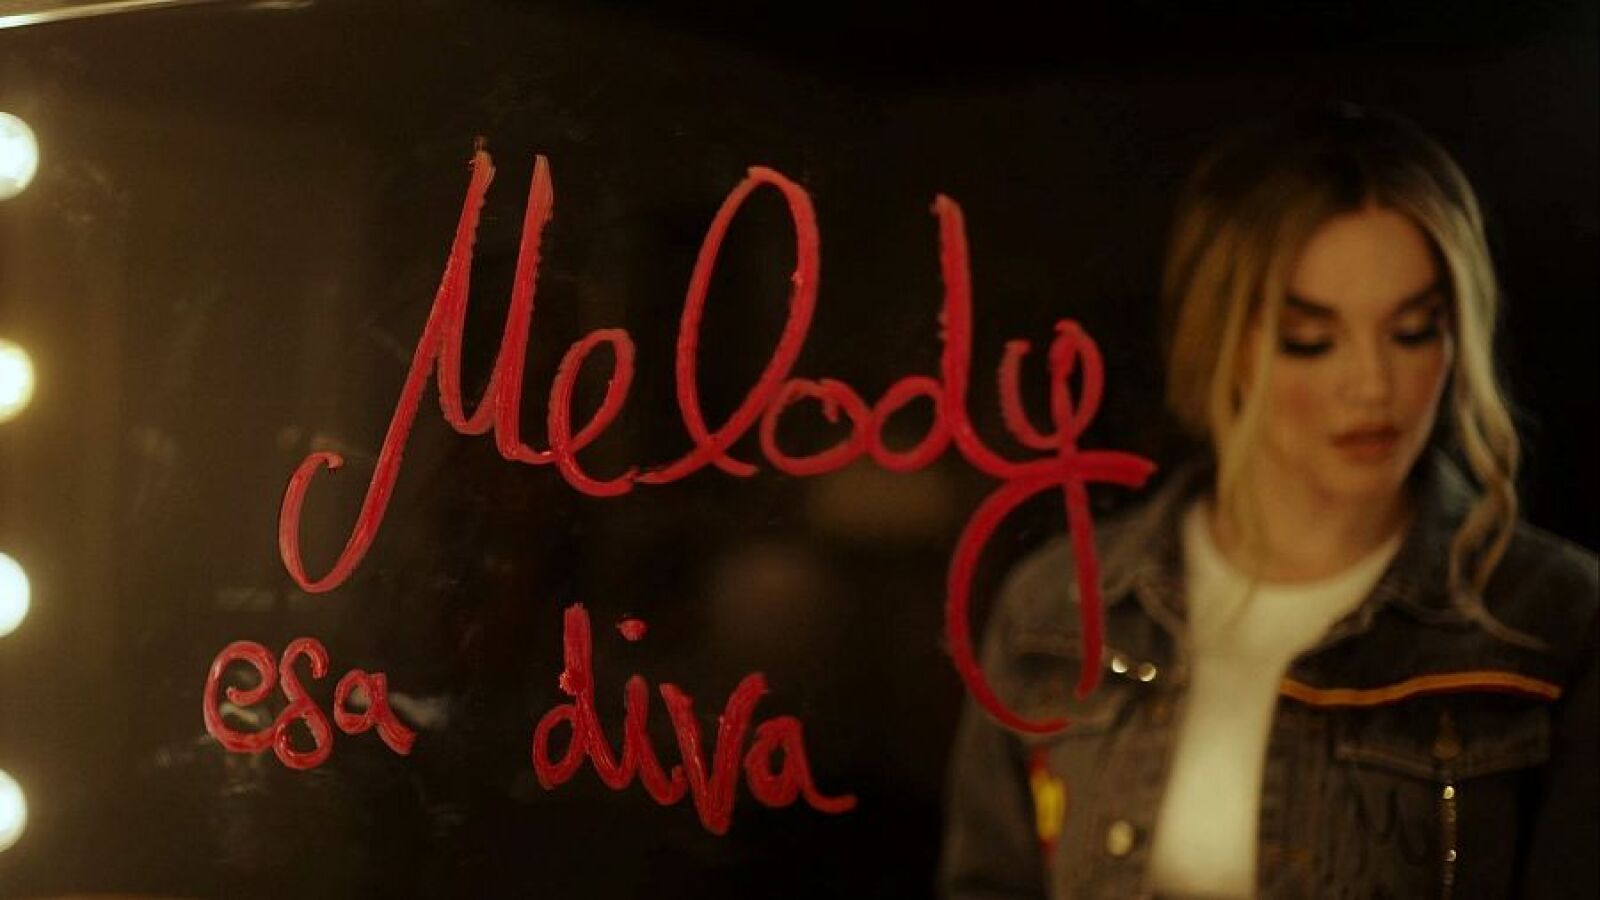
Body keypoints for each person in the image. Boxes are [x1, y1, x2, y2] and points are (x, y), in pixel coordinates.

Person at [938, 105, 1598, 899]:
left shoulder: (1556, 621)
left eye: (1413, 330)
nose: (1372, 385)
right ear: (1222, 340)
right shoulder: (1059, 608)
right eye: (1309, 339)